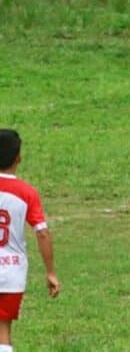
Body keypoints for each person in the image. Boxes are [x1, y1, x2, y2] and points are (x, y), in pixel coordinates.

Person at [0, 130, 60, 350]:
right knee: (3, 330)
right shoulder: (27, 193)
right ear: (18, 158)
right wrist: (51, 272)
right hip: (11, 272)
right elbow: (42, 232)